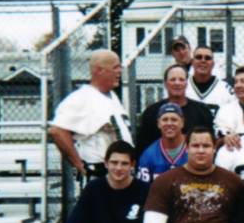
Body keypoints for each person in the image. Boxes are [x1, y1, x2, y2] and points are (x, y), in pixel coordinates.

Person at [49, 49, 132, 178]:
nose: (119, 71)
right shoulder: (82, 97)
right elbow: (57, 131)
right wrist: (79, 164)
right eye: (115, 67)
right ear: (99, 70)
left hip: (120, 170)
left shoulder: (112, 95)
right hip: (100, 171)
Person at [136, 64, 213, 156]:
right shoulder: (151, 112)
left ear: (186, 83)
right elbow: (142, 147)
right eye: (173, 79)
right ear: (165, 83)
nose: (177, 83)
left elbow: (210, 143)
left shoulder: (202, 111)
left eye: (181, 79)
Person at [137, 103, 188, 182]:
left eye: (174, 119)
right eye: (165, 119)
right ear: (158, 123)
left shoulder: (196, 147)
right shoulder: (148, 155)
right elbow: (143, 187)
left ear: (182, 123)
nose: (169, 123)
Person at [185, 45, 234, 117]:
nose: (203, 60)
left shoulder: (225, 90)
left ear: (213, 63)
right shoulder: (182, 85)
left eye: (207, 58)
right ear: (192, 62)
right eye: (199, 57)